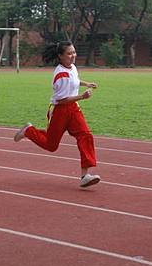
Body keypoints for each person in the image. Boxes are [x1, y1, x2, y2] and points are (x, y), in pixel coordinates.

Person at [14, 41, 101, 188]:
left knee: (85, 135)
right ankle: (29, 131)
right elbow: (61, 100)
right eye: (69, 53)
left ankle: (85, 175)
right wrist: (82, 97)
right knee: (51, 145)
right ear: (60, 56)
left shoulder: (72, 67)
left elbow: (74, 81)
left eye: (74, 52)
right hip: (60, 110)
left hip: (73, 108)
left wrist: (86, 84)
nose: (73, 56)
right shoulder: (60, 74)